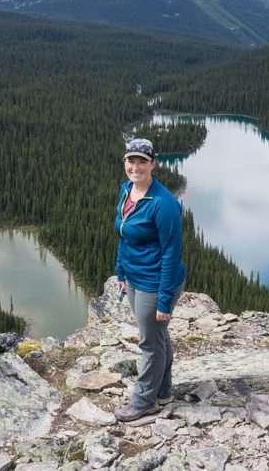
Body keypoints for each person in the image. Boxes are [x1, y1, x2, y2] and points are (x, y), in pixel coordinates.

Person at [113, 135, 186, 422]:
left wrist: (165, 301)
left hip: (156, 283)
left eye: (142, 161)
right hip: (134, 277)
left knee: (150, 343)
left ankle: (144, 402)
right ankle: (164, 392)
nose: (136, 166)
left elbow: (171, 254)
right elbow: (124, 235)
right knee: (158, 338)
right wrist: (121, 272)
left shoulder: (163, 204)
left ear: (153, 164)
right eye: (131, 160)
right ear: (125, 163)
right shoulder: (127, 191)